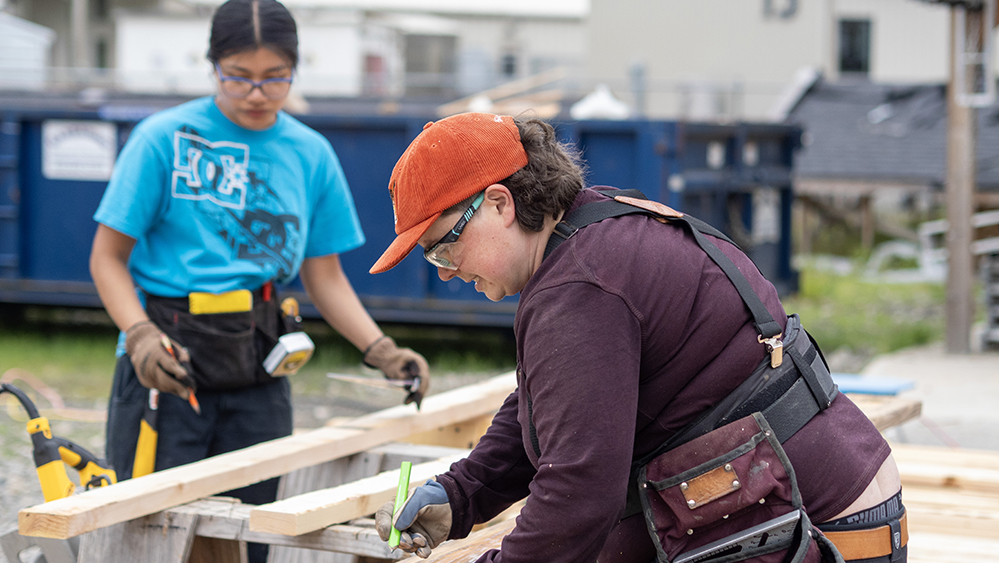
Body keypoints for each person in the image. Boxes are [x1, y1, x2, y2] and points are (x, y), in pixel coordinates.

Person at [368, 113, 906, 563]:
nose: (443, 271)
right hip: (822, 502)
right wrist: (461, 494)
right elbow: (558, 405)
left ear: (499, 203)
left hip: (819, 526)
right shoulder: (593, 234)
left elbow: (580, 494)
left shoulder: (581, 285)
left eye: (444, 246)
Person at [88, 1, 429, 561]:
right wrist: (140, 334)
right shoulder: (162, 140)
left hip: (260, 357)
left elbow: (325, 276)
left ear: (295, 70)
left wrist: (381, 349)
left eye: (275, 78)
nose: (255, 93)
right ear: (212, 65)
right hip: (168, 360)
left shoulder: (310, 154)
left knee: (253, 528)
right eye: (238, 77)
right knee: (150, 529)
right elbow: (107, 259)